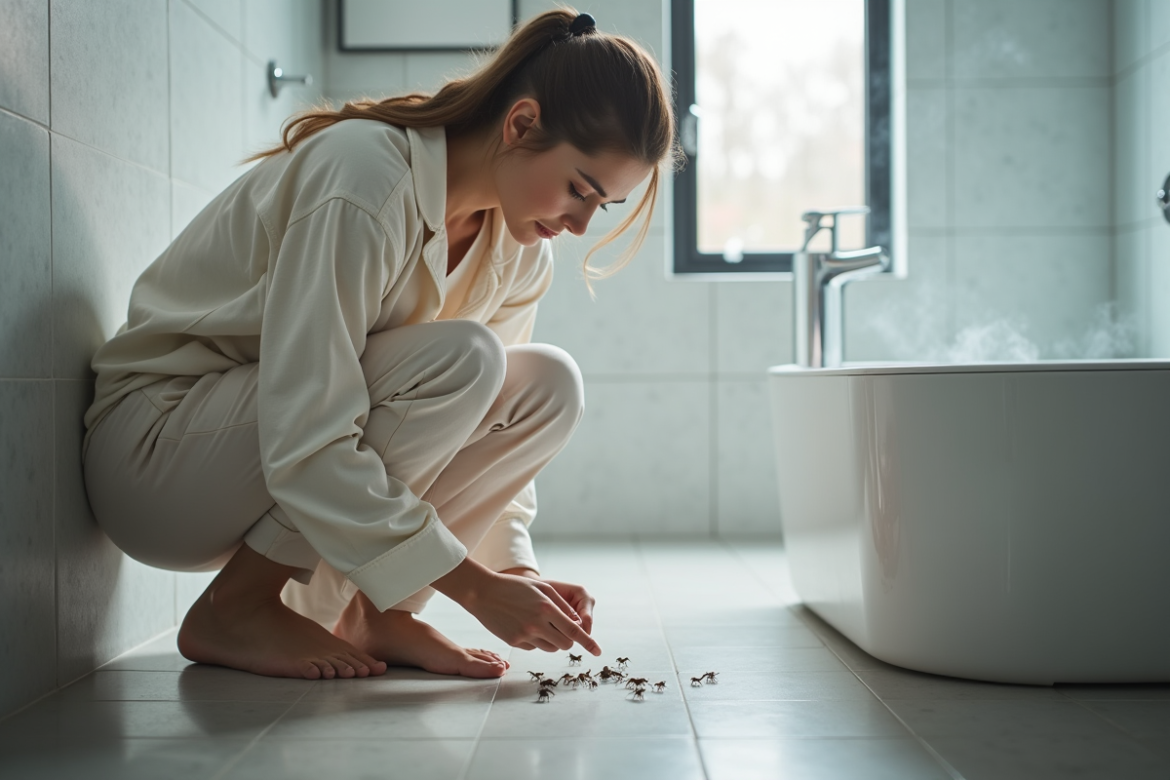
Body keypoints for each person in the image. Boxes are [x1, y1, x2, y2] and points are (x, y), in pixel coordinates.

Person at [80, 9, 678, 681]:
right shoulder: (366, 176)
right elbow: (310, 428)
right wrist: (475, 590)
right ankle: (238, 605)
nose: (578, 224)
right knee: (466, 360)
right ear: (521, 124)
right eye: (580, 190)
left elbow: (482, 431)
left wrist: (515, 570)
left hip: (253, 460)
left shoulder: (517, 251)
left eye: (603, 207)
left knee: (548, 385)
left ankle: (379, 611)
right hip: (157, 459)